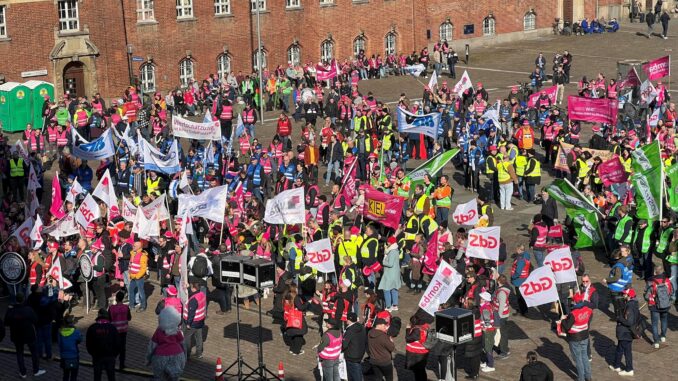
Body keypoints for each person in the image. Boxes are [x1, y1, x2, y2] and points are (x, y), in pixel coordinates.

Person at [4, 293, 46, 378]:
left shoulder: (12, 310)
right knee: (34, 352)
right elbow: (35, 320)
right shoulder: (28, 309)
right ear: (23, 299)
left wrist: (9, 310)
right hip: (29, 334)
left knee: (19, 354)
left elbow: (6, 322)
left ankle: (23, 373)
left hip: (16, 335)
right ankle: (36, 370)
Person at [560, 292, 593, 381]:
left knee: (578, 359)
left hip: (575, 338)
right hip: (585, 336)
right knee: (585, 356)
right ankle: (588, 377)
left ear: (575, 302)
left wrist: (563, 320)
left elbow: (567, 327)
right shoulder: (588, 310)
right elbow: (589, 319)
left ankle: (581, 378)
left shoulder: (573, 313)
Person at [147, 307, 186, 381]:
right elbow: (183, 345)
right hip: (177, 355)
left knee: (159, 377)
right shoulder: (178, 331)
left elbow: (152, 346)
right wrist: (184, 358)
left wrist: (148, 359)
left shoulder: (159, 331)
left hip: (160, 357)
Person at [610, 288, 639, 377]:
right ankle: (617, 365)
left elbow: (629, 322)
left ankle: (629, 369)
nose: (623, 296)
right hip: (625, 333)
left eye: (625, 294)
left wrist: (619, 318)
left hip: (626, 333)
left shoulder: (630, 306)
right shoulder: (632, 304)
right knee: (620, 349)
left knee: (627, 351)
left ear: (629, 296)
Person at [644, 263, 673, 348]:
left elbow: (646, 295)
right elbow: (671, 292)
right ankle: (663, 336)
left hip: (654, 306)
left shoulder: (650, 281)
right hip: (665, 305)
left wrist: (648, 298)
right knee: (664, 320)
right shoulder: (667, 280)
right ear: (662, 271)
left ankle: (656, 341)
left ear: (654, 272)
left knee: (655, 323)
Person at [86, 309, 119, 381]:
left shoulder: (92, 328)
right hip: (110, 356)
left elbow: (88, 344)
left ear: (98, 316)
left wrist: (93, 354)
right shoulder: (112, 328)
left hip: (97, 356)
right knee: (111, 376)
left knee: (97, 376)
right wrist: (114, 354)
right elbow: (117, 343)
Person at [367, 314, 396, 381]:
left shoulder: (370, 332)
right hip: (384, 362)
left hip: (374, 360)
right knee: (389, 378)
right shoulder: (383, 336)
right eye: (384, 325)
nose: (385, 327)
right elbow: (391, 348)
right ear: (380, 325)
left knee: (378, 377)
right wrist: (391, 341)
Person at [405, 312, 431, 381]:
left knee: (417, 372)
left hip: (417, 354)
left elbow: (408, 338)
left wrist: (407, 329)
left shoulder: (416, 330)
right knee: (422, 370)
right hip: (423, 352)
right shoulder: (425, 326)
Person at [108, 291, 131, 370]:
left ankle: (111, 362)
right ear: (122, 299)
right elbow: (129, 318)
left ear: (116, 299)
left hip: (114, 331)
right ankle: (122, 365)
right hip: (123, 331)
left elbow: (109, 319)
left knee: (113, 347)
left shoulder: (111, 308)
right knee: (122, 348)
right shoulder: (126, 307)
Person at [183, 282, 207, 359]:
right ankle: (199, 353)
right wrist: (186, 288)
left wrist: (188, 323)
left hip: (193, 322)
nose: (190, 288)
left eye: (191, 287)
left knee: (187, 337)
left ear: (194, 288)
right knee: (199, 336)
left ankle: (187, 354)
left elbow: (191, 313)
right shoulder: (202, 294)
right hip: (200, 320)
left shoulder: (193, 300)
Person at [378, 236, 402, 311]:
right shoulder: (395, 250)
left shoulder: (391, 251)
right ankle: (395, 305)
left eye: (388, 242)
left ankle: (388, 306)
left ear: (390, 243)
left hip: (390, 274)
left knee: (386, 289)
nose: (387, 243)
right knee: (394, 289)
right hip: (395, 273)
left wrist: (383, 261)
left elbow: (390, 263)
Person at [342, 312, 367, 381]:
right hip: (360, 354)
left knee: (353, 374)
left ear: (349, 320)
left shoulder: (350, 330)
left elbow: (344, 344)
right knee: (358, 370)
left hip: (351, 356)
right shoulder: (362, 327)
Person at [58, 315, 82, 381]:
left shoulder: (60, 331)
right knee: (74, 375)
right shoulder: (75, 331)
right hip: (74, 355)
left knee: (65, 374)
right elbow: (80, 339)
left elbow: (59, 344)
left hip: (64, 356)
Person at [493, 275, 512, 358]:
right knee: (502, 333)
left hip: (501, 315)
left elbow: (501, 305)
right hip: (502, 314)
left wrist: (499, 317)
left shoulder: (501, 293)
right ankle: (505, 348)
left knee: (502, 333)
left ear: (498, 281)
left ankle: (504, 351)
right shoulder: (504, 289)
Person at [511, 245, 532, 316]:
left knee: (520, 296)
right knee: (523, 295)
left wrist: (513, 277)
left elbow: (518, 271)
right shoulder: (526, 255)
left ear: (519, 250)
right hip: (525, 278)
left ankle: (523, 311)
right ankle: (524, 309)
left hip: (519, 280)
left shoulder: (521, 260)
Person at [128, 241, 149, 312]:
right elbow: (131, 264)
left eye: (135, 246)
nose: (133, 247)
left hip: (138, 278)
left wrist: (137, 276)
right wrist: (130, 274)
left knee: (141, 292)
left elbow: (143, 268)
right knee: (131, 290)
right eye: (133, 245)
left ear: (139, 247)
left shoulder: (143, 256)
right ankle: (131, 305)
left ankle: (143, 306)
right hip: (133, 276)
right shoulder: (133, 254)